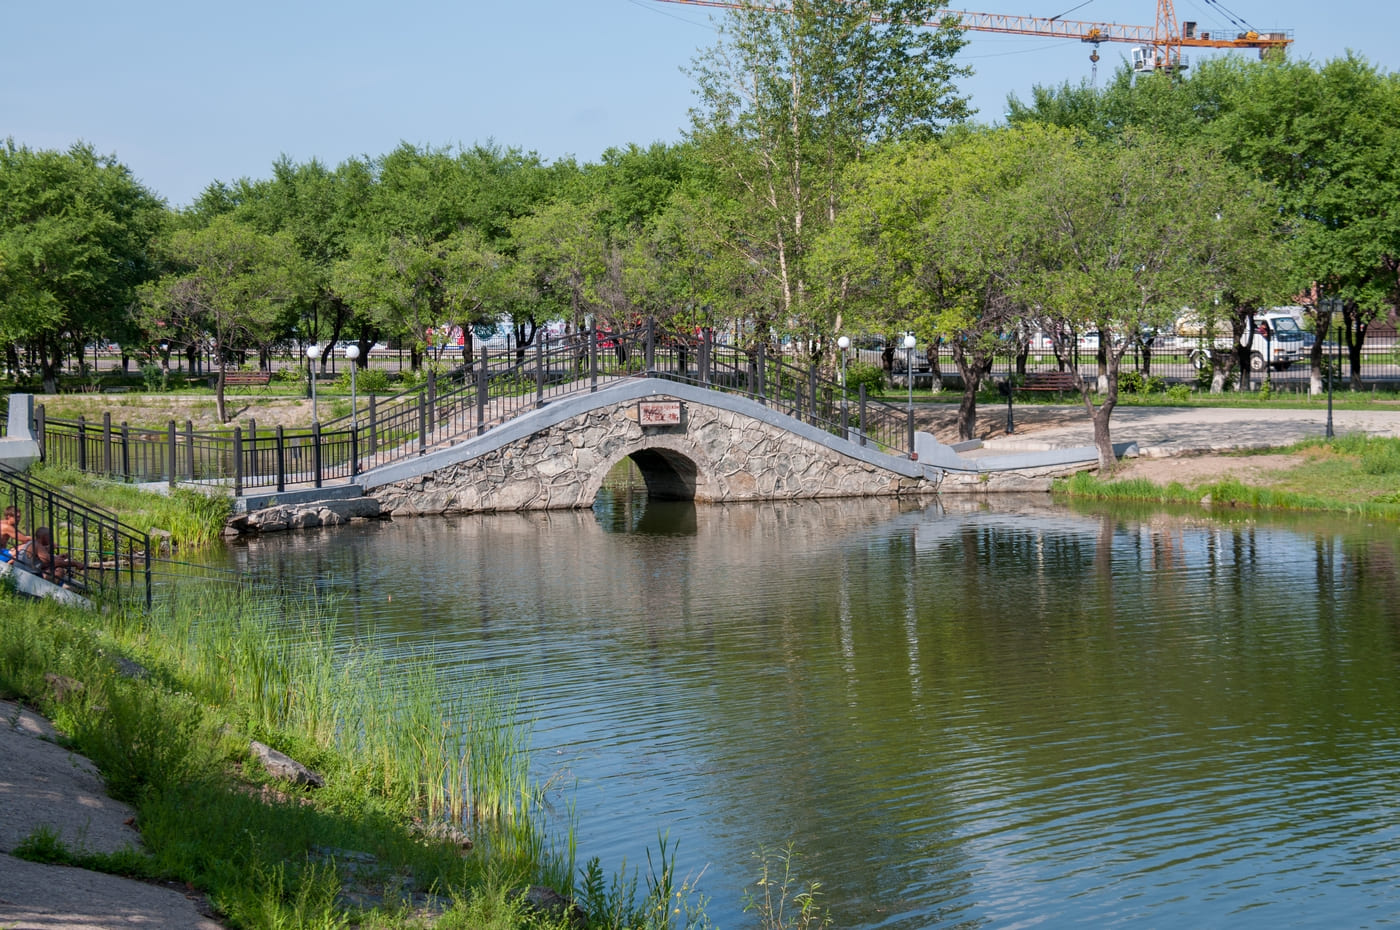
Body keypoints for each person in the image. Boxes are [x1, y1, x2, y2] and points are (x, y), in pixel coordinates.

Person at [14, 527, 80, 582]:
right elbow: (51, 562)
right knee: (59, 571)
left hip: (24, 573)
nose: (51, 539)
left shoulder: (33, 543)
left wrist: (58, 557)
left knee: (55, 569)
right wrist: (74, 563)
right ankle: (50, 591)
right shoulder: (37, 546)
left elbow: (46, 560)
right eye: (50, 536)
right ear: (44, 537)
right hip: (25, 576)